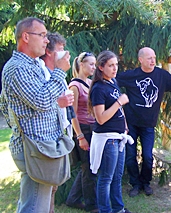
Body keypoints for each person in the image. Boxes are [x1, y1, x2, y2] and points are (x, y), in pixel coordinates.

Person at [0, 17, 72, 213]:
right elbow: (41, 101)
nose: (46, 40)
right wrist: (59, 72)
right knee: (33, 208)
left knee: (34, 203)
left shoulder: (32, 65)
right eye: (41, 35)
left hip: (42, 148)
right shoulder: (17, 68)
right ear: (25, 37)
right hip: (35, 149)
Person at [116, 47, 171, 197]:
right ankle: (135, 184)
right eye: (149, 58)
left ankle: (145, 182)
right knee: (130, 157)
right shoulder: (131, 75)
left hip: (148, 125)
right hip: (130, 124)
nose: (153, 60)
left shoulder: (161, 75)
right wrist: (120, 99)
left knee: (148, 156)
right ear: (141, 60)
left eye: (154, 57)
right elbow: (112, 82)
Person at [88, 50, 132, 213]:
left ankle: (118, 208)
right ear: (100, 67)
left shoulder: (112, 82)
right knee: (106, 178)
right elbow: (100, 118)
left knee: (117, 178)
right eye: (111, 65)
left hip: (118, 137)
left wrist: (125, 125)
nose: (115, 69)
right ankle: (106, 210)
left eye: (116, 65)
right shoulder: (99, 88)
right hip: (107, 140)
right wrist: (119, 102)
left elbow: (118, 112)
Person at [39, 32, 75, 213]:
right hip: (46, 138)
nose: (64, 53)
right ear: (48, 52)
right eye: (60, 50)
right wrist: (58, 103)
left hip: (60, 134)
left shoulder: (58, 75)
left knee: (53, 185)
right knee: (45, 186)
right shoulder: (42, 73)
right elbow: (40, 103)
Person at [65, 52, 98, 212]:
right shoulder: (74, 86)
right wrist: (80, 136)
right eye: (91, 64)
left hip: (93, 129)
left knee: (89, 167)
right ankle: (92, 206)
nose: (94, 67)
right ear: (81, 64)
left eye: (95, 64)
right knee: (89, 168)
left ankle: (73, 199)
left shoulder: (90, 82)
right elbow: (72, 114)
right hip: (83, 130)